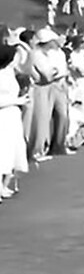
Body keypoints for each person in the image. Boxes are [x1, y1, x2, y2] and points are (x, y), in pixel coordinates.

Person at [0, 42, 29, 199]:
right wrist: (17, 101)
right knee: (2, 151)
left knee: (12, 150)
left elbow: (24, 60)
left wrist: (24, 45)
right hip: (3, 115)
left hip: (12, 116)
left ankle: (4, 186)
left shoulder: (10, 72)